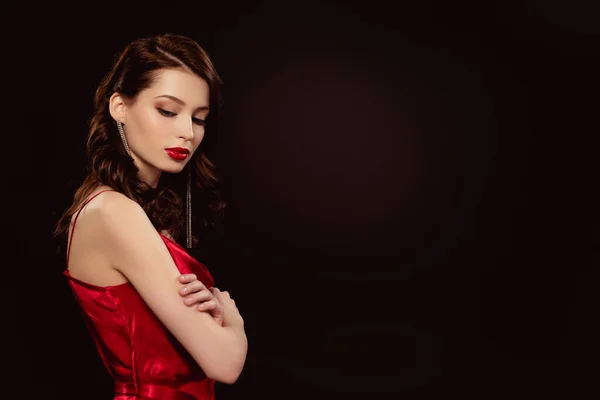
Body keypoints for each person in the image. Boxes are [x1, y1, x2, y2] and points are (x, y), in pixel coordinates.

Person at [53, 33, 247, 400]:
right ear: (119, 107)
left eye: (200, 119)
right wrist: (231, 319)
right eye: (168, 111)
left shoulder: (133, 209)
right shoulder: (113, 212)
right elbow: (225, 364)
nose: (187, 133)